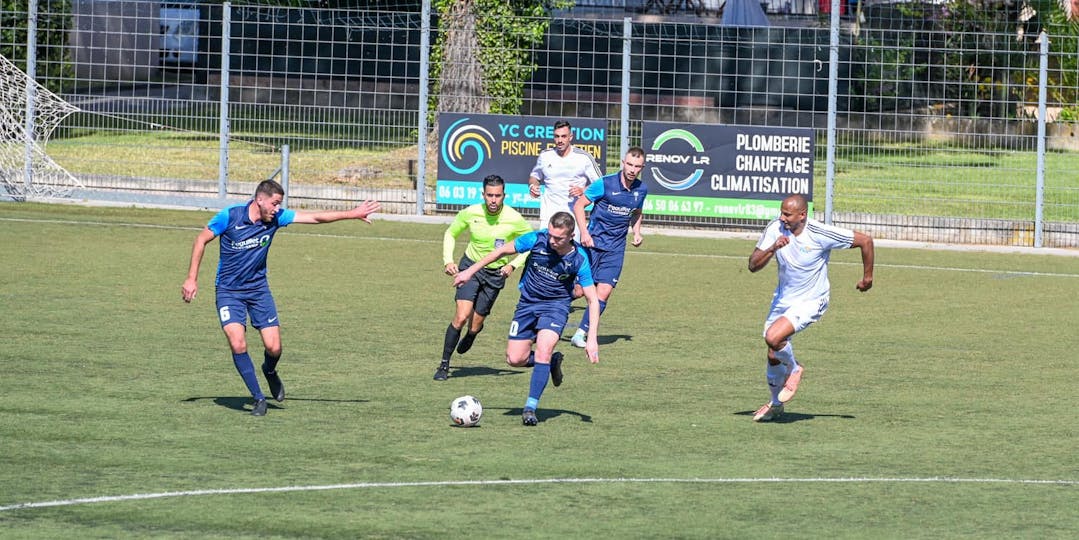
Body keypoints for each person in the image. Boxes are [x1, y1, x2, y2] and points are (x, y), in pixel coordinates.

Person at [181, 180, 380, 416]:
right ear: (260, 200)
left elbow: (315, 218)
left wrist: (353, 214)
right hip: (228, 292)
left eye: (279, 205)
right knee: (237, 342)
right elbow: (200, 240)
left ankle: (270, 370)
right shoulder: (230, 216)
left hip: (258, 291)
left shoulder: (276, 219)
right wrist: (191, 278)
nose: (277, 209)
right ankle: (258, 399)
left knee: (274, 348)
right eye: (274, 204)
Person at [453, 211, 601, 426]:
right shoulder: (536, 239)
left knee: (543, 349)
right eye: (550, 235)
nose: (552, 241)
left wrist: (592, 338)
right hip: (527, 305)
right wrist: (469, 272)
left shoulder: (579, 259)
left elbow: (593, 300)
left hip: (555, 308)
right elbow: (500, 251)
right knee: (515, 359)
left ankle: (530, 407)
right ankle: (552, 362)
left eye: (558, 238)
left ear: (571, 236)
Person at [747, 194, 874, 422]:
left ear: (802, 215)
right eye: (781, 212)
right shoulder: (775, 229)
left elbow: (865, 241)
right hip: (783, 299)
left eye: (787, 214)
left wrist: (867, 278)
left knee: (773, 338)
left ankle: (795, 369)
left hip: (813, 300)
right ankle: (776, 404)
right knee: (773, 352)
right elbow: (752, 265)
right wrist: (773, 248)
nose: (782, 218)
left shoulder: (820, 233)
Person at [435, 174, 534, 381]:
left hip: (495, 274)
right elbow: (450, 233)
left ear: (504, 196)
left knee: (475, 323)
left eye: (497, 195)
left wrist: (513, 265)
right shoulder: (470, 213)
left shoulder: (514, 218)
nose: (493, 200)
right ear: (483, 194)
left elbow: (532, 243)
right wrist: (448, 261)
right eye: (489, 195)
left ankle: (472, 334)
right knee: (461, 316)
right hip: (470, 267)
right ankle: (444, 364)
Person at [568, 146, 648, 348]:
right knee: (578, 291)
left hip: (615, 250)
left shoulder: (641, 190)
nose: (632, 169)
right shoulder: (604, 184)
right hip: (592, 245)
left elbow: (637, 212)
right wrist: (584, 232)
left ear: (642, 167)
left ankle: (581, 333)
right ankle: (546, 312)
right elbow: (579, 205)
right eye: (629, 164)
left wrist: (637, 232)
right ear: (623, 163)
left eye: (637, 166)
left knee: (603, 292)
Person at [528, 120, 603, 241]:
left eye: (563, 136)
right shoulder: (545, 156)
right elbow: (534, 177)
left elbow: (601, 184)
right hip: (548, 215)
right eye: (557, 136)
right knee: (545, 252)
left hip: (573, 216)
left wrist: (583, 190)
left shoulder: (583, 157)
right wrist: (532, 186)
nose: (560, 140)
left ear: (570, 137)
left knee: (571, 255)